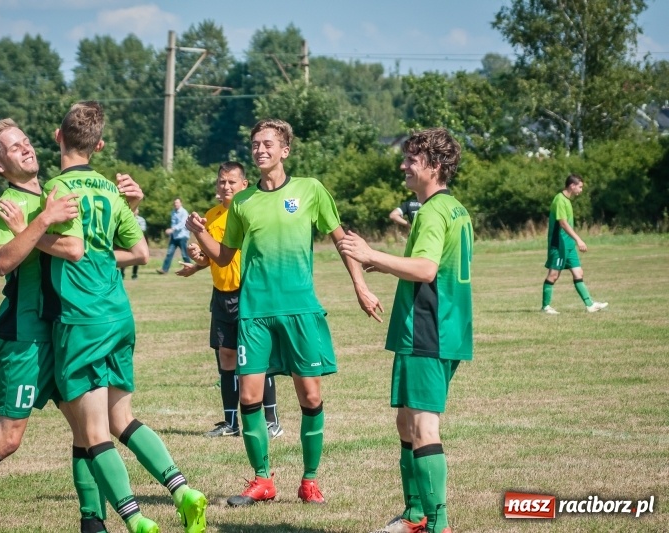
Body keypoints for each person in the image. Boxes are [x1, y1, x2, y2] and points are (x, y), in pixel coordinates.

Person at [0, 118, 138, 533]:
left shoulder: (56, 190)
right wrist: (41, 220)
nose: (26, 149)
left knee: (88, 430)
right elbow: (2, 261)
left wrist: (131, 206)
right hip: (26, 336)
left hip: (64, 330)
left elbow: (96, 248)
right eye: (14, 148)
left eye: (26, 142)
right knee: (8, 437)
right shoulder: (11, 204)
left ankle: (93, 524)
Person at [186, 118, 382, 507]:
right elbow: (224, 256)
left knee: (310, 396)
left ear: (285, 150)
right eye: (255, 144)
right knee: (249, 397)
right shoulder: (243, 202)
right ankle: (262, 480)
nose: (260, 150)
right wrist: (199, 232)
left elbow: (342, 241)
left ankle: (309, 481)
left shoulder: (310, 190)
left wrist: (360, 286)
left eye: (268, 144)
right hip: (254, 313)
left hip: (300, 311)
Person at [41, 101, 207, 533]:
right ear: (98, 146)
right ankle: (183, 491)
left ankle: (134, 521)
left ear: (58, 137)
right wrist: (102, 251)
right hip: (118, 313)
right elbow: (140, 253)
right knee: (122, 420)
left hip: (81, 318)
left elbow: (68, 247)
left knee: (93, 432)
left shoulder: (54, 190)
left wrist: (33, 234)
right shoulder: (112, 193)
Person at [338, 128, 470, 533]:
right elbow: (432, 266)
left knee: (423, 426)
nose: (403, 166)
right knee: (406, 421)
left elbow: (427, 269)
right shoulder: (453, 208)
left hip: (429, 330)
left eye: (412, 159)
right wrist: (385, 264)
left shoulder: (430, 212)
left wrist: (371, 254)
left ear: (435, 165)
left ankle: (437, 524)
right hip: (442, 329)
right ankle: (415, 514)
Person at [176, 161, 284, 439]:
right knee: (226, 357)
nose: (226, 186)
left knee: (257, 358)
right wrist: (198, 260)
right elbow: (215, 256)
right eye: (222, 181)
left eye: (231, 182)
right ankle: (230, 423)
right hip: (221, 295)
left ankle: (271, 420)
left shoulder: (249, 212)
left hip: (249, 294)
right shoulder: (211, 216)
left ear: (244, 184)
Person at [541, 174, 608, 314]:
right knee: (553, 275)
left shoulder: (567, 200)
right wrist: (579, 239)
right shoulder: (559, 200)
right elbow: (563, 223)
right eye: (580, 187)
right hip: (559, 245)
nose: (581, 190)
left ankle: (590, 305)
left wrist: (573, 241)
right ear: (572, 185)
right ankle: (545, 307)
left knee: (578, 273)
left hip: (569, 245)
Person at [156, 197, 190, 274]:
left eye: (177, 202)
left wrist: (172, 229)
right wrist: (171, 231)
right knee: (169, 253)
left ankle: (190, 268)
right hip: (174, 236)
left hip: (182, 236)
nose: (176, 204)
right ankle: (164, 270)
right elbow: (173, 223)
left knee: (184, 254)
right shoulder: (173, 212)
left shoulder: (184, 212)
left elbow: (182, 224)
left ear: (181, 203)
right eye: (175, 203)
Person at [120, 206, 147, 280]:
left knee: (137, 258)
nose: (135, 211)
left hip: (136, 241)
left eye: (137, 209)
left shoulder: (141, 220)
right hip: (125, 241)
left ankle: (134, 274)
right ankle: (122, 273)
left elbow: (143, 230)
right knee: (124, 257)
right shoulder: (125, 218)